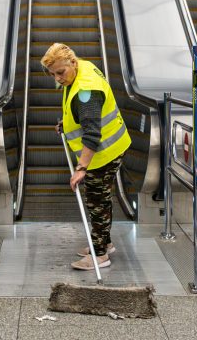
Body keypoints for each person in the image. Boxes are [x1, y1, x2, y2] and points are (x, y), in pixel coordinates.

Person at [40, 42, 131, 270]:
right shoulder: (83, 66)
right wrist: (67, 123)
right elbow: (84, 116)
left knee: (97, 203)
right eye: (53, 74)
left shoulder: (86, 92)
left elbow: (92, 135)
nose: (58, 78)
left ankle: (100, 256)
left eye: (60, 72)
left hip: (103, 154)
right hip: (113, 145)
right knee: (101, 200)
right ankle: (104, 243)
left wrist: (81, 169)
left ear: (72, 62)